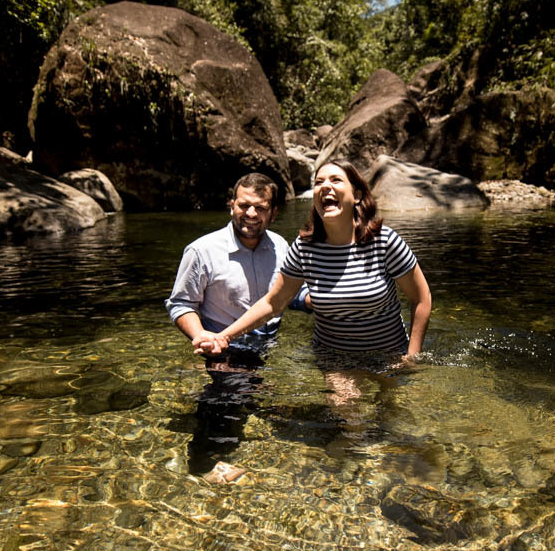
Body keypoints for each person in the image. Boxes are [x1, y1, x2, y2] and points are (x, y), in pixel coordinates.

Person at [200, 161, 432, 409]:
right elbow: (273, 302)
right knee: (349, 417)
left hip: (390, 354)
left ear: (357, 196)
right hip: (336, 359)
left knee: (393, 417)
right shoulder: (304, 248)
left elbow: (421, 298)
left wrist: (411, 356)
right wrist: (223, 336)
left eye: (335, 180)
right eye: (319, 182)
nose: (325, 187)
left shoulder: (383, 241)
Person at [165, 171, 306, 482]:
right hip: (223, 344)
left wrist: (314, 301)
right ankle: (202, 463)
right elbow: (180, 304)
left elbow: (285, 297)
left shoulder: (280, 247)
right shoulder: (202, 251)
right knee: (229, 393)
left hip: (267, 343)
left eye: (261, 207)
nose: (251, 214)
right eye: (244, 205)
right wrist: (201, 334)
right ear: (231, 206)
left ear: (273, 212)